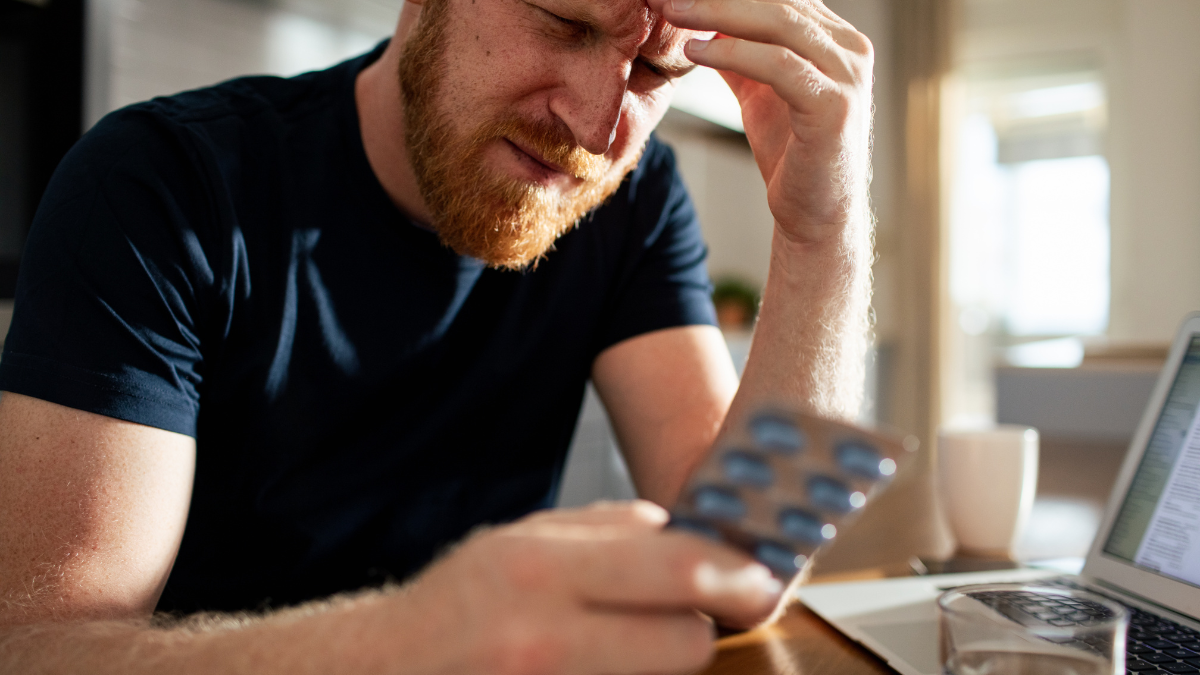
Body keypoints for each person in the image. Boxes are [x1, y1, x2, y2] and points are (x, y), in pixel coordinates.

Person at [0, 0, 875, 671]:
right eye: (566, 22)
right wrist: (408, 640)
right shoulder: (163, 186)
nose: (595, 128)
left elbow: (738, 570)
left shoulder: (632, 202)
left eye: (651, 70)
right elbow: (38, 648)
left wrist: (822, 237)